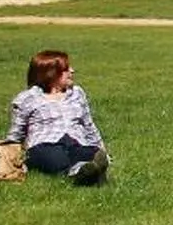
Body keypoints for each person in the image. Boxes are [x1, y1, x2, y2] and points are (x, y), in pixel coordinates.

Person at [8, 49, 111, 183]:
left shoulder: (77, 93)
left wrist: (102, 150)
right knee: (54, 157)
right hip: (44, 146)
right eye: (66, 69)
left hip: (76, 143)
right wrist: (12, 161)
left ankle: (83, 170)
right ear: (51, 74)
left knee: (89, 152)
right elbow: (16, 135)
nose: (72, 71)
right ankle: (79, 172)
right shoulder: (27, 98)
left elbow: (89, 125)